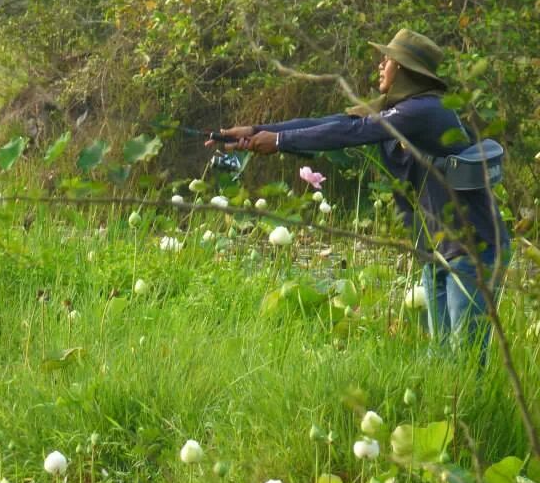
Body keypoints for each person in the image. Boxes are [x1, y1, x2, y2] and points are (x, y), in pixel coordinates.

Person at [213, 29, 510, 356]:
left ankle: (473, 408)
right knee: (441, 358)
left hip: (472, 248)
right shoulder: (396, 108)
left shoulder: (423, 111)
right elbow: (332, 122)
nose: (381, 65)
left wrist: (280, 142)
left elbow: (351, 132)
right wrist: (257, 132)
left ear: (407, 71)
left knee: (465, 357)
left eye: (389, 60)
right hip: (437, 248)